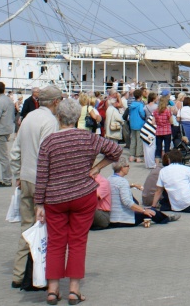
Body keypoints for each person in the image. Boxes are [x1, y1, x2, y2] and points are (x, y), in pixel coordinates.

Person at [35, 96, 123, 305]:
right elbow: (116, 151)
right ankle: (73, 290)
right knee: (77, 242)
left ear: (58, 116)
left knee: (55, 243)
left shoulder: (49, 141)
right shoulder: (88, 138)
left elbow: (42, 175)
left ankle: (53, 289)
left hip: (55, 197)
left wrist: (39, 203)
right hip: (83, 195)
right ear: (77, 117)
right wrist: (96, 168)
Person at [10, 85, 61, 290]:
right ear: (56, 102)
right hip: (42, 181)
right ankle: (39, 273)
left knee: (27, 225)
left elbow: (15, 150)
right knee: (43, 229)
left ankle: (18, 272)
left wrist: (18, 175)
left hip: (25, 177)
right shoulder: (50, 122)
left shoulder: (29, 117)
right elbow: (47, 154)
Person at [106, 159, 176, 228]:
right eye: (128, 166)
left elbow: (118, 187)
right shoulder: (123, 181)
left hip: (112, 217)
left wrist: (133, 185)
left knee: (143, 208)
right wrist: (144, 211)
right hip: (124, 219)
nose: (129, 168)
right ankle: (166, 219)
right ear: (122, 168)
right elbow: (127, 201)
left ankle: (164, 217)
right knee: (151, 212)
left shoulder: (109, 179)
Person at [127, 88, 146, 163]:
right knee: (139, 140)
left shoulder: (131, 105)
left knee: (133, 140)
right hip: (140, 123)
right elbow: (142, 113)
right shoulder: (140, 105)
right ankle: (138, 156)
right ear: (140, 96)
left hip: (132, 123)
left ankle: (131, 156)